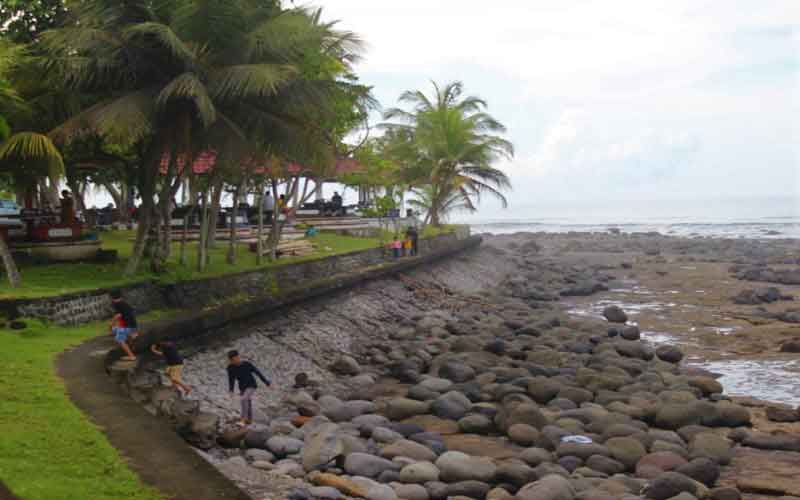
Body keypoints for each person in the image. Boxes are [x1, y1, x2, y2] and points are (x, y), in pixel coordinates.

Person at [227, 350, 271, 425]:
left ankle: (243, 419)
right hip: (242, 387)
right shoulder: (230, 368)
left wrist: (267, 383)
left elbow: (258, 372)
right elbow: (231, 379)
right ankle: (249, 420)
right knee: (248, 403)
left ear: (238, 357)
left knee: (244, 399)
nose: (235, 361)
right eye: (233, 360)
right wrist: (231, 390)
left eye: (236, 358)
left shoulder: (247, 364)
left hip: (251, 385)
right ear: (230, 360)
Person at [109, 290, 138, 361]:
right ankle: (131, 339)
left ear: (112, 298)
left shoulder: (117, 304)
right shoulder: (125, 303)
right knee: (115, 329)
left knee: (119, 339)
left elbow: (118, 315)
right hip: (133, 325)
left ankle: (131, 356)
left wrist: (111, 323)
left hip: (128, 327)